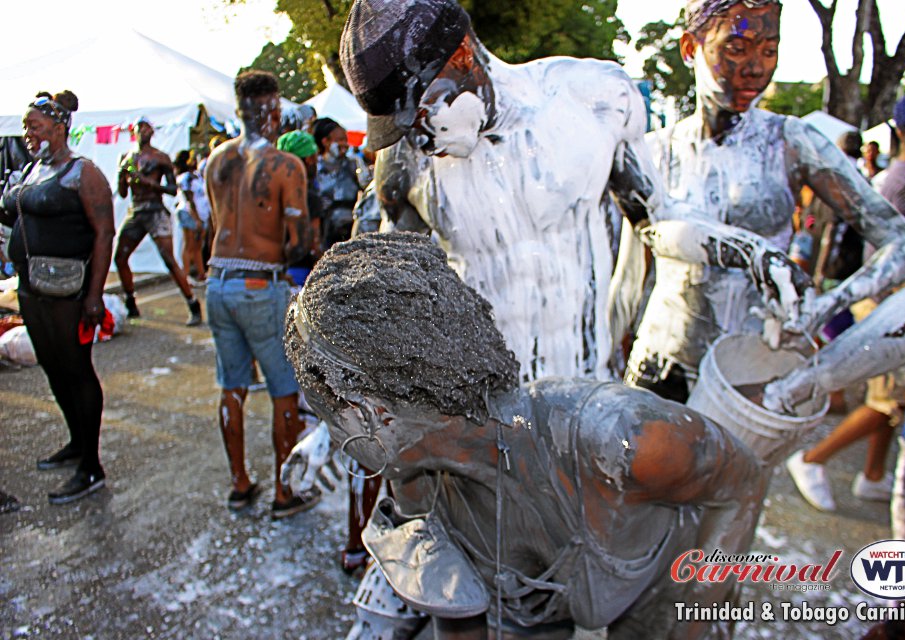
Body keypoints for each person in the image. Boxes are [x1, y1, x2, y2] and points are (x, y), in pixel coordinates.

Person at [283, 233, 763, 640]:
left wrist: (696, 611)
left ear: (378, 414)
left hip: (662, 586)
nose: (333, 438)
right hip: (541, 605)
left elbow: (744, 484)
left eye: (330, 417)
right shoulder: (418, 484)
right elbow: (458, 616)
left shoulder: (620, 439)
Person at [340, 0, 670, 384]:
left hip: (589, 386)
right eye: (401, 129)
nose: (420, 140)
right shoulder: (405, 160)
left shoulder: (593, 99)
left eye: (421, 114)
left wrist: (633, 328)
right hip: (484, 404)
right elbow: (395, 287)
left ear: (462, 54)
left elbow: (654, 228)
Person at [616, 0, 905, 404]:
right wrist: (605, 359)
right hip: (658, 368)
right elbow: (629, 275)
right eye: (736, 48)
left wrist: (827, 305)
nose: (756, 67)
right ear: (691, 48)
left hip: (750, 377)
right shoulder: (652, 152)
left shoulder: (792, 143)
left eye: (769, 50)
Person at [787, 90, 905, 512]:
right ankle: (810, 459)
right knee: (888, 401)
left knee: (892, 398)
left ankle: (873, 475)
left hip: (892, 298)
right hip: (892, 302)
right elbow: (895, 250)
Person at [204, 70, 317, 519]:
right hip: (259, 286)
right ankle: (284, 492)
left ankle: (239, 483)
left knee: (232, 386)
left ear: (239, 109)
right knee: (283, 389)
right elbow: (300, 243)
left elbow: (217, 226)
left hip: (218, 283)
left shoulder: (216, 160)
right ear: (272, 111)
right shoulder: (285, 166)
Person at [0, 91, 115, 503]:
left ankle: (92, 467)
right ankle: (76, 443)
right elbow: (16, 213)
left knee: (77, 370)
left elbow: (104, 233)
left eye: (35, 126)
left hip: (69, 292)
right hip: (32, 289)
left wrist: (94, 297)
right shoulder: (34, 170)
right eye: (26, 126)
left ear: (59, 126)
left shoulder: (82, 173)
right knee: (53, 368)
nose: (28, 133)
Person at [115, 117, 202, 326]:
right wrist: (121, 176)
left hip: (155, 210)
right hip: (136, 211)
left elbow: (172, 190)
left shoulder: (160, 158)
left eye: (147, 128)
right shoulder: (126, 158)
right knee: (120, 257)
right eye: (140, 127)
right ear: (134, 131)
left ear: (152, 132)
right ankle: (130, 301)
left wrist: (150, 184)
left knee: (168, 259)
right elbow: (122, 192)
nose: (144, 131)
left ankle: (193, 304)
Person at [276, 130, 323, 286]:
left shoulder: (272, 191)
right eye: (315, 157)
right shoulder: (308, 195)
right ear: (309, 159)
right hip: (302, 273)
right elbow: (312, 242)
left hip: (274, 272)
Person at [312, 117, 362, 250]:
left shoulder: (353, 164)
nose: (345, 144)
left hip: (350, 232)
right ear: (325, 142)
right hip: (324, 233)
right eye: (339, 140)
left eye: (345, 140)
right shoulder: (314, 168)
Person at [173, 150, 207, 286]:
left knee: (198, 246)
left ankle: (201, 274)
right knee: (189, 245)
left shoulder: (197, 176)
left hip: (201, 214)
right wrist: (196, 218)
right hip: (189, 214)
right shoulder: (185, 178)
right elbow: (189, 200)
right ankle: (185, 277)